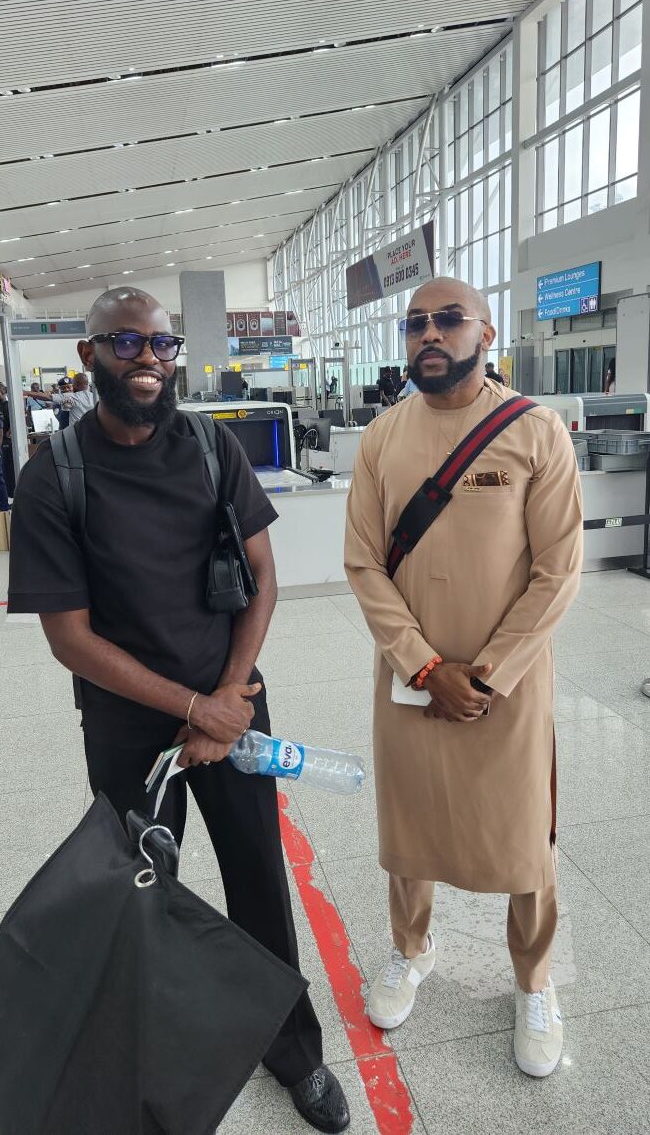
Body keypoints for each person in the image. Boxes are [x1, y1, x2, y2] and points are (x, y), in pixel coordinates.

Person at [7, 287, 349, 1134]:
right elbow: (70, 639)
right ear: (88, 356)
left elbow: (262, 577)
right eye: (125, 342)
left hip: (233, 702)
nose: (149, 359)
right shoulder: (54, 476)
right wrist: (193, 706)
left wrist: (226, 701)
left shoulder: (209, 445)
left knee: (259, 880)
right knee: (139, 901)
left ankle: (292, 1049)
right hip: (129, 729)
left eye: (160, 343)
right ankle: (148, 1072)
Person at [345, 276, 583, 1080]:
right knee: (408, 825)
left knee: (525, 835)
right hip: (407, 679)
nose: (429, 333)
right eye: (415, 322)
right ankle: (411, 947)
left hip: (504, 686)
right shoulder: (382, 437)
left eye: (448, 319)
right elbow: (364, 564)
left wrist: (487, 674)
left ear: (486, 333)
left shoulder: (536, 432)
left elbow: (558, 572)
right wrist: (422, 664)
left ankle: (534, 979)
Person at [0, 383, 16, 498]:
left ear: (4, 393)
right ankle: (9, 494)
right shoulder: (0, 406)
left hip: (8, 443)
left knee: (9, 469)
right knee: (5, 470)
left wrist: (10, 432)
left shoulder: (7, 406)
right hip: (2, 442)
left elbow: (14, 421)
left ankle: (13, 494)